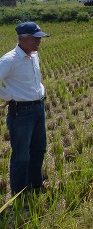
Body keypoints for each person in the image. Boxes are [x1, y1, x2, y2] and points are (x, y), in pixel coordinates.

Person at [0, 22, 50, 197]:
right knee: (21, 156)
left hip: (38, 108)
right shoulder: (9, 59)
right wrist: (8, 95)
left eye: (39, 38)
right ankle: (20, 194)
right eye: (35, 38)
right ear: (21, 39)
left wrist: (41, 90)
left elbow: (34, 80)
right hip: (21, 113)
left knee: (39, 149)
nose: (38, 42)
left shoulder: (33, 55)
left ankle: (35, 185)